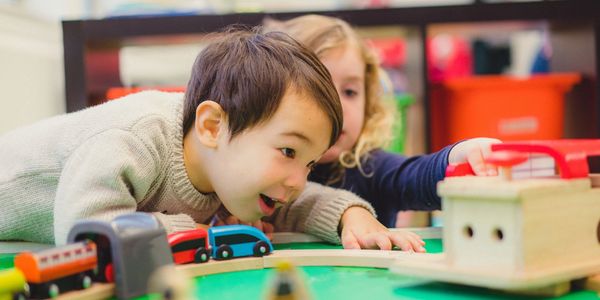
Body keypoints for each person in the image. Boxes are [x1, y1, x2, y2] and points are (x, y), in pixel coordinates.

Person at [0, 28, 423, 251]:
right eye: (289, 151)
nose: (297, 180)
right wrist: (196, 229)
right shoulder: (133, 138)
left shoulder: (228, 164)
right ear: (211, 126)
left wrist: (352, 216)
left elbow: (299, 202)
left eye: (308, 162)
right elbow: (85, 231)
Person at [261, 15, 501, 229]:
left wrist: (459, 156)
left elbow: (416, 176)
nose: (338, 107)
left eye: (350, 92)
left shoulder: (370, 167)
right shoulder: (264, 165)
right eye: (319, 91)